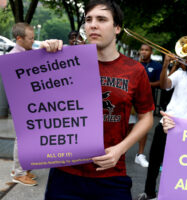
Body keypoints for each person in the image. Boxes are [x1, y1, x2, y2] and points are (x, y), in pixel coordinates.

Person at [43, 0, 154, 199]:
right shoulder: (66, 61)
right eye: (88, 20)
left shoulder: (135, 71)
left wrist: (121, 149)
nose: (93, 24)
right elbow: (39, 99)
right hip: (65, 173)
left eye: (102, 19)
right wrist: (44, 56)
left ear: (117, 28)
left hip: (111, 174)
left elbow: (146, 116)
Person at [136, 47, 187, 200]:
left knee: (177, 165)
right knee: (154, 161)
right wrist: (166, 65)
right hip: (167, 121)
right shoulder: (180, 73)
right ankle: (149, 193)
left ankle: (170, 195)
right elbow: (165, 85)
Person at [6, 22, 37, 186]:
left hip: (26, 103)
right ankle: (19, 173)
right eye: (30, 38)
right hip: (21, 104)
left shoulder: (23, 54)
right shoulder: (14, 57)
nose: (33, 41)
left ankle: (21, 169)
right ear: (19, 38)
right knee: (23, 139)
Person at [133, 44, 163, 168]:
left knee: (143, 128)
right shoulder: (133, 63)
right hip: (131, 101)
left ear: (151, 52)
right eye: (142, 50)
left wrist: (146, 84)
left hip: (146, 100)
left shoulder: (156, 66)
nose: (144, 52)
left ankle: (140, 155)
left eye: (146, 50)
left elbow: (161, 83)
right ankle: (120, 151)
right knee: (126, 126)